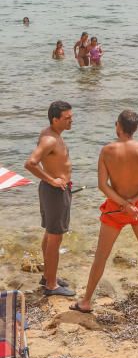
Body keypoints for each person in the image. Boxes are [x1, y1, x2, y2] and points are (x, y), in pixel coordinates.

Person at [70, 110, 138, 312]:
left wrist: (124, 204)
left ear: (118, 126)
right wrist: (133, 201)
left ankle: (86, 301)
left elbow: (102, 185)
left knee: (101, 255)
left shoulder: (107, 151)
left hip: (115, 208)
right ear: (136, 128)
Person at [25, 101, 75, 297]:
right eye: (67, 118)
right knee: (55, 237)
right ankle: (52, 286)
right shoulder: (49, 140)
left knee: (50, 234)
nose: (72, 120)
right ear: (55, 120)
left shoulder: (52, 134)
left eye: (71, 116)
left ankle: (48, 276)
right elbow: (30, 163)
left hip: (53, 190)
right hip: (54, 192)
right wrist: (52, 180)